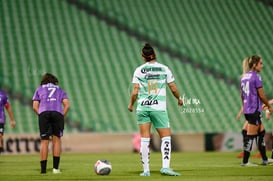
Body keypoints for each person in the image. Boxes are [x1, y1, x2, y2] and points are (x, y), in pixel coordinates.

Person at [128, 43, 183, 176]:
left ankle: (146, 170)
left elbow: (135, 91)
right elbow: (173, 88)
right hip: (159, 108)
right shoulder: (164, 69)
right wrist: (179, 99)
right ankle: (165, 167)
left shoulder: (139, 70)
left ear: (143, 56)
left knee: (145, 139)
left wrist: (131, 104)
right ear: (154, 55)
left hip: (143, 108)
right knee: (165, 138)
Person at [32, 73, 70, 174]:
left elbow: (35, 106)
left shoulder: (39, 89)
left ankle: (43, 170)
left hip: (44, 112)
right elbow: (67, 105)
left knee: (44, 141)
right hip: (57, 112)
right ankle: (55, 169)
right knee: (56, 140)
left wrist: (41, 115)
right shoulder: (59, 89)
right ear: (55, 81)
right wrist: (62, 116)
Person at [240, 55, 273, 166]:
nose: (262, 66)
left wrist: (244, 106)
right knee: (251, 135)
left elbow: (242, 95)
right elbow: (262, 95)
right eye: (260, 63)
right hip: (254, 109)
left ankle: (264, 159)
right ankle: (245, 161)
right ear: (254, 65)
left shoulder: (244, 77)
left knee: (261, 132)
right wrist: (268, 106)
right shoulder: (256, 77)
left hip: (248, 109)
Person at [236, 57, 261, 158]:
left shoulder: (251, 77)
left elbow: (253, 94)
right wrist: (242, 109)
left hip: (254, 107)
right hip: (249, 107)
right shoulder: (247, 78)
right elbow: (244, 95)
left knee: (256, 131)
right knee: (247, 130)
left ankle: (258, 152)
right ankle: (248, 151)